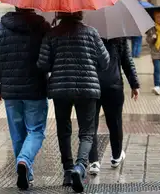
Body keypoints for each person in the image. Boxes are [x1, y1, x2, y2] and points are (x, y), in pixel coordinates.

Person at [37, 11, 109, 193]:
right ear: (80, 13)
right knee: (87, 131)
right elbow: (105, 61)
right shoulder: (91, 32)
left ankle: (68, 170)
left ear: (60, 13)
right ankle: (80, 166)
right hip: (87, 88)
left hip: (61, 89)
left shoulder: (52, 34)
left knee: (64, 129)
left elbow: (43, 64)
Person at [0, 7, 51, 190]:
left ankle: (26, 173)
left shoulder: (0, 29)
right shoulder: (42, 27)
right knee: (36, 131)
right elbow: (48, 59)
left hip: (11, 92)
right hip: (35, 90)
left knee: (17, 134)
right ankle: (24, 161)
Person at [88, 37, 140, 175]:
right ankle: (116, 156)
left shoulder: (88, 32)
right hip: (113, 85)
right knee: (115, 122)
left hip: (92, 85)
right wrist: (134, 84)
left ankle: (93, 162)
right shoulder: (119, 36)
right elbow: (127, 61)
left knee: (91, 123)